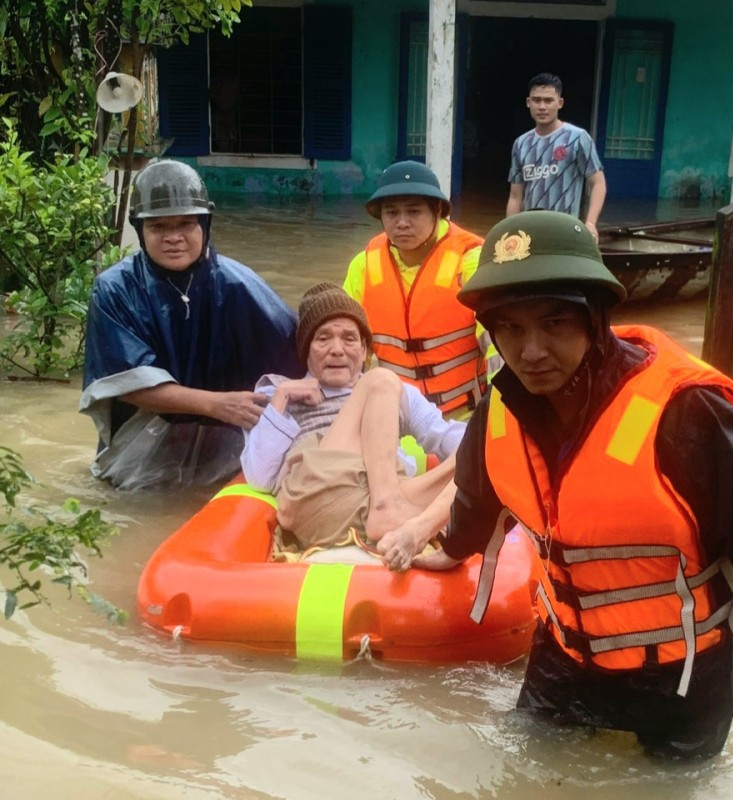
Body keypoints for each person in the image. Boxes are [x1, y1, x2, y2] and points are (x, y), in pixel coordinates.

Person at [415, 209, 733, 762]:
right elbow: (478, 499)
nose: (530, 352)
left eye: (553, 324)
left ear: (595, 319)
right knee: (524, 787)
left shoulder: (686, 412)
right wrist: (450, 550)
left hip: (685, 673)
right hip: (564, 660)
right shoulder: (498, 409)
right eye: (511, 329)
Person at [79, 159, 303, 491]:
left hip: (227, 441)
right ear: (140, 230)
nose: (174, 238)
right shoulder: (115, 289)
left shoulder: (237, 285)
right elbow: (125, 382)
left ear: (204, 225)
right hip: (144, 441)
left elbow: (299, 352)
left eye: (185, 224)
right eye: (158, 227)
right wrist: (217, 404)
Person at [241, 283, 465, 556]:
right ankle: (389, 508)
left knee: (482, 449)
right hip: (316, 495)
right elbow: (259, 477)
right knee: (381, 379)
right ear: (306, 350)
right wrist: (282, 397)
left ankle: (396, 513)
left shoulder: (397, 394)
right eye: (323, 338)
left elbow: (443, 435)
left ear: (363, 350)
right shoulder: (277, 390)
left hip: (371, 498)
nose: (337, 349)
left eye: (349, 338)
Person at [343, 160, 499, 421]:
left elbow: (498, 343)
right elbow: (347, 342)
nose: (402, 223)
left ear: (437, 210)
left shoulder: (471, 260)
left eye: (414, 212)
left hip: (466, 415)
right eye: (391, 213)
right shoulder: (364, 266)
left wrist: (499, 409)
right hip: (398, 415)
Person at [506, 73, 606, 242]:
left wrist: (590, 223)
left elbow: (598, 183)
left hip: (566, 231)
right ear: (528, 103)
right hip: (530, 232)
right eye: (537, 100)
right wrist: (509, 232)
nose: (542, 107)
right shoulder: (521, 144)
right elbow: (516, 196)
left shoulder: (577, 138)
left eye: (548, 101)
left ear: (559, 103)